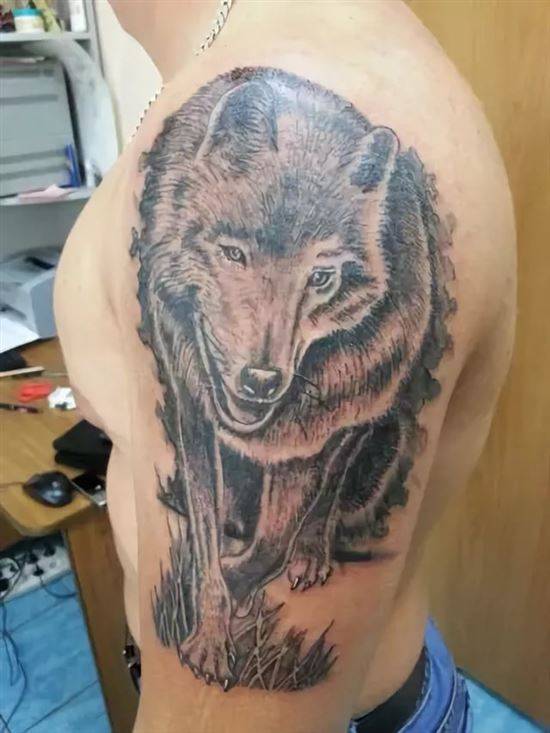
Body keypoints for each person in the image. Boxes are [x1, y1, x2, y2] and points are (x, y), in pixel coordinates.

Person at [54, 2, 516, 731]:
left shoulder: (295, 77)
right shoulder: (231, 71)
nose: (266, 358)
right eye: (237, 256)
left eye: (320, 280)